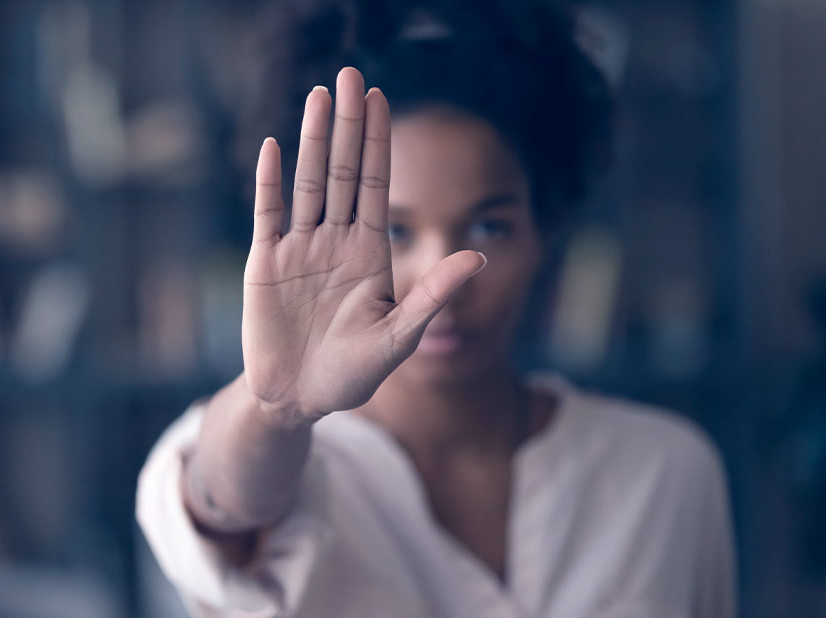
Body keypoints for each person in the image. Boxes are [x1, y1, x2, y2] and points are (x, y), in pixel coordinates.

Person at [137, 2, 736, 616]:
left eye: (488, 226)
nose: (441, 281)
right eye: (394, 232)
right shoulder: (270, 446)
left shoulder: (667, 475)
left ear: (545, 232)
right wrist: (275, 408)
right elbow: (224, 499)